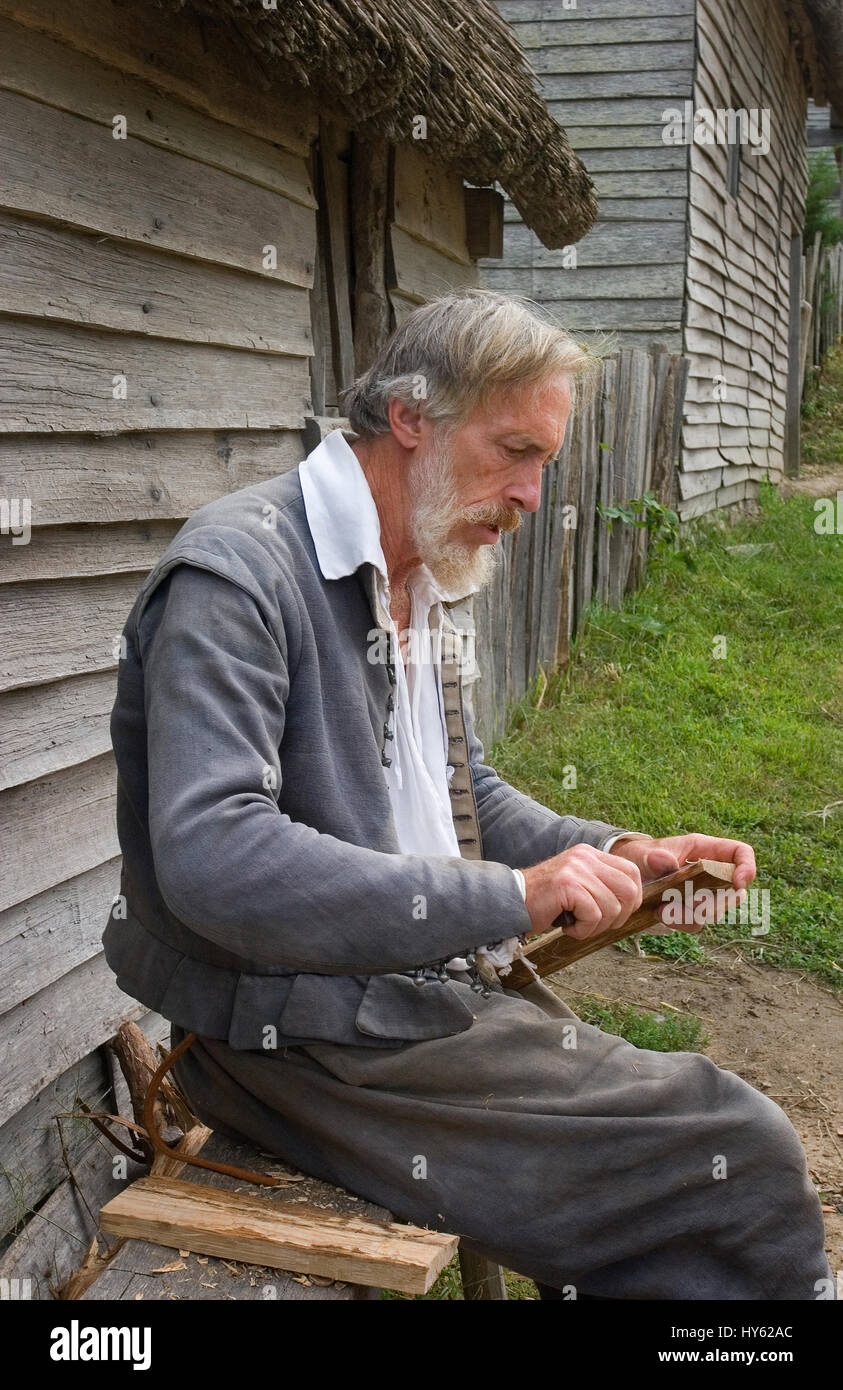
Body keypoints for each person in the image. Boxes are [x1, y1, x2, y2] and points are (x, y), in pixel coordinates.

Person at [104, 290, 832, 1299]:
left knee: (701, 1155)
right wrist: (514, 898)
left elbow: (461, 794)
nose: (534, 493)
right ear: (410, 417)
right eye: (515, 451)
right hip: (285, 1035)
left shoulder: (420, 574)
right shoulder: (240, 574)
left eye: (546, 461)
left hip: (399, 1002)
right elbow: (212, 857)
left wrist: (619, 849)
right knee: (732, 1147)